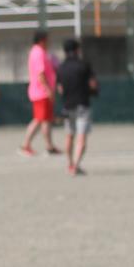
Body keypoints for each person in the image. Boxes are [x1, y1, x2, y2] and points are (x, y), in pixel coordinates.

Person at [56, 39, 98, 175]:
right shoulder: (84, 65)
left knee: (69, 136)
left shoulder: (61, 67)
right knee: (81, 138)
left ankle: (70, 164)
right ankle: (76, 165)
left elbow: (60, 89)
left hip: (67, 106)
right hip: (82, 105)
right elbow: (93, 84)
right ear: (77, 49)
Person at [19, 30, 59, 157]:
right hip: (41, 92)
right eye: (47, 39)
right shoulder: (39, 53)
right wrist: (48, 90)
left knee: (43, 119)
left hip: (40, 92)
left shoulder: (39, 52)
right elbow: (41, 74)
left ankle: (49, 146)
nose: (49, 42)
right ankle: (27, 145)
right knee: (40, 120)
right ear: (42, 40)